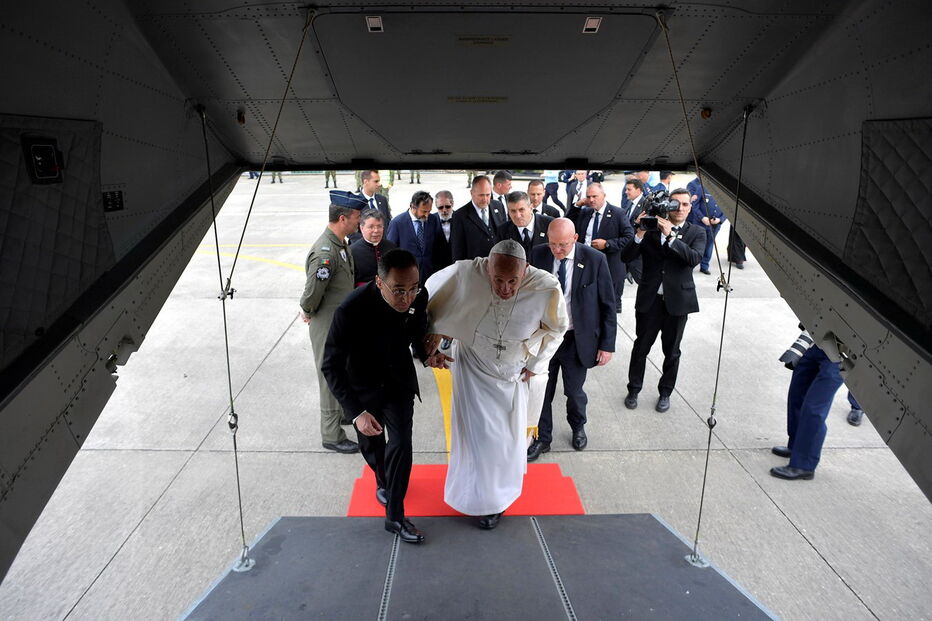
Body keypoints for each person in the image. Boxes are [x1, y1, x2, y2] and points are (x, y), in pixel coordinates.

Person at [425, 240, 568, 529]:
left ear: (525, 269)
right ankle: (481, 500)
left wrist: (535, 365)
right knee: (478, 439)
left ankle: (499, 495)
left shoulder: (545, 286)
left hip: (513, 374)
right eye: (497, 280)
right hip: (473, 368)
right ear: (487, 268)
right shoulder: (466, 272)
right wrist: (436, 344)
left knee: (506, 441)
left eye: (513, 281)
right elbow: (428, 302)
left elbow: (557, 328)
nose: (504, 288)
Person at [322, 249, 429, 543]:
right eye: (399, 290)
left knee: (401, 445)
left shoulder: (419, 296)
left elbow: (417, 332)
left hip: (398, 384)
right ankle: (382, 477)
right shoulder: (350, 310)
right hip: (363, 388)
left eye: (413, 288)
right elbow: (330, 366)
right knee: (373, 449)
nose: (407, 297)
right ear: (380, 283)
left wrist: (429, 352)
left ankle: (395, 516)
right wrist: (356, 412)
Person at [528, 219, 616, 459]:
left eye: (563, 245)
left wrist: (607, 345)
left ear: (575, 238)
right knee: (541, 391)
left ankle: (578, 426)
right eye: (553, 244)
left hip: (576, 339)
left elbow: (608, 305)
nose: (557, 250)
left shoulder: (595, 260)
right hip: (546, 338)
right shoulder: (538, 254)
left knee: (575, 392)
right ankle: (542, 438)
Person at [621, 188, 706, 413]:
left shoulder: (697, 232)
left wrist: (670, 236)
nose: (679, 208)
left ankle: (665, 393)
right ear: (667, 206)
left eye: (685, 204)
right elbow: (626, 257)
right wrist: (639, 232)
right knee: (641, 347)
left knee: (672, 351)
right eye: (674, 203)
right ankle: (633, 389)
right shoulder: (650, 229)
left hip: (677, 302)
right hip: (650, 301)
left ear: (690, 207)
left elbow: (693, 259)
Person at [299, 191, 363, 454]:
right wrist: (307, 309)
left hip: (340, 323)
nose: (359, 222)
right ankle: (331, 433)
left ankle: (339, 415)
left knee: (341, 370)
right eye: (357, 217)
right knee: (329, 375)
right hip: (326, 324)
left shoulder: (340, 243)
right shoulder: (326, 252)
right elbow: (313, 291)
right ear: (342, 218)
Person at [771, 343, 845, 480]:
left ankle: (804, 465)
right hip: (818, 343)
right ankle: (795, 446)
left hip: (842, 354)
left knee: (814, 409)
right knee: (797, 394)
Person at [569, 182, 633, 313]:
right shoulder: (585, 212)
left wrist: (608, 244)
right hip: (586, 266)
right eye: (588, 196)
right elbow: (568, 222)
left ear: (604, 195)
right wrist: (577, 205)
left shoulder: (618, 213)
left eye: (595, 196)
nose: (591, 200)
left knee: (608, 308)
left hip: (610, 267)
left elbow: (629, 237)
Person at [386, 190, 443, 282]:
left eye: (429, 211)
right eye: (424, 211)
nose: (427, 215)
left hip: (429, 275)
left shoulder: (433, 220)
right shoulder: (397, 223)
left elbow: (438, 247)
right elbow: (391, 251)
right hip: (406, 276)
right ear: (413, 207)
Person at [449, 175, 506, 260]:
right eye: (481, 195)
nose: (485, 199)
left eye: (488, 195)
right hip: (474, 268)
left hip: (498, 265)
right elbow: (457, 250)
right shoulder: (459, 216)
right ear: (472, 193)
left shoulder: (498, 206)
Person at [687, 177, 726, 275]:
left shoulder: (725, 191)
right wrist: (702, 218)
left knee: (709, 245)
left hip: (714, 225)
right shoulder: (702, 188)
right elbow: (694, 205)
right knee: (695, 244)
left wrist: (720, 220)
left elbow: (727, 209)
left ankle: (704, 266)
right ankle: (689, 265)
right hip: (701, 223)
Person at [496, 190, 552, 257]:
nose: (517, 215)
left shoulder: (550, 224)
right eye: (513, 211)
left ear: (531, 208)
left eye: (521, 210)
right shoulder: (502, 231)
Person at [350, 209, 397, 286]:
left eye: (379, 226)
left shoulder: (392, 248)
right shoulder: (352, 251)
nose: (376, 230)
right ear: (362, 228)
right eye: (371, 227)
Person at [352, 170, 391, 243]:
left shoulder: (382, 199)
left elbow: (388, 222)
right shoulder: (355, 203)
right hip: (363, 247)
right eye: (376, 181)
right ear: (366, 182)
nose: (379, 184)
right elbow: (351, 231)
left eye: (379, 181)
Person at [432, 190, 455, 272]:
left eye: (447, 207)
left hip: (456, 268)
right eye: (440, 207)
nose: (444, 210)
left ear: (452, 203)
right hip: (436, 269)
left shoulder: (461, 219)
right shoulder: (429, 221)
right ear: (436, 206)